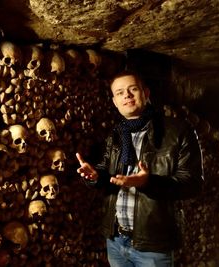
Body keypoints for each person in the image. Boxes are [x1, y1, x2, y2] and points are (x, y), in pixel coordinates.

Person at [76, 70, 204, 267]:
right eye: (119, 93)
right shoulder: (116, 135)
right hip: (116, 240)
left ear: (146, 93)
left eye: (132, 89)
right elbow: (105, 174)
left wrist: (148, 183)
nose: (126, 95)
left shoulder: (178, 132)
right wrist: (94, 176)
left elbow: (192, 184)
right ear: (115, 102)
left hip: (153, 244)